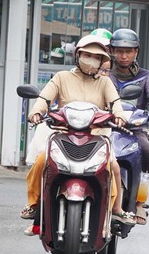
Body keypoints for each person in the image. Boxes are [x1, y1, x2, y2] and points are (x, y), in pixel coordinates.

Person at [22, 35, 136, 235]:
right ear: (78, 55)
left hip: (96, 136)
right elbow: (44, 98)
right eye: (87, 55)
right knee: (42, 161)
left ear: (102, 61)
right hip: (64, 134)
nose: (91, 59)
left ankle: (116, 208)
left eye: (96, 56)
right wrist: (36, 111)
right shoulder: (61, 77)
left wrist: (119, 116)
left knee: (114, 167)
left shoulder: (105, 83)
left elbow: (116, 103)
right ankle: (34, 204)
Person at [108, 29, 149, 224]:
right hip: (105, 128)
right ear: (111, 51)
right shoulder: (104, 76)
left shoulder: (145, 76)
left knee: (146, 151)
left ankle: (140, 202)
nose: (123, 56)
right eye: (119, 51)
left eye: (129, 51)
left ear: (136, 52)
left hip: (133, 130)